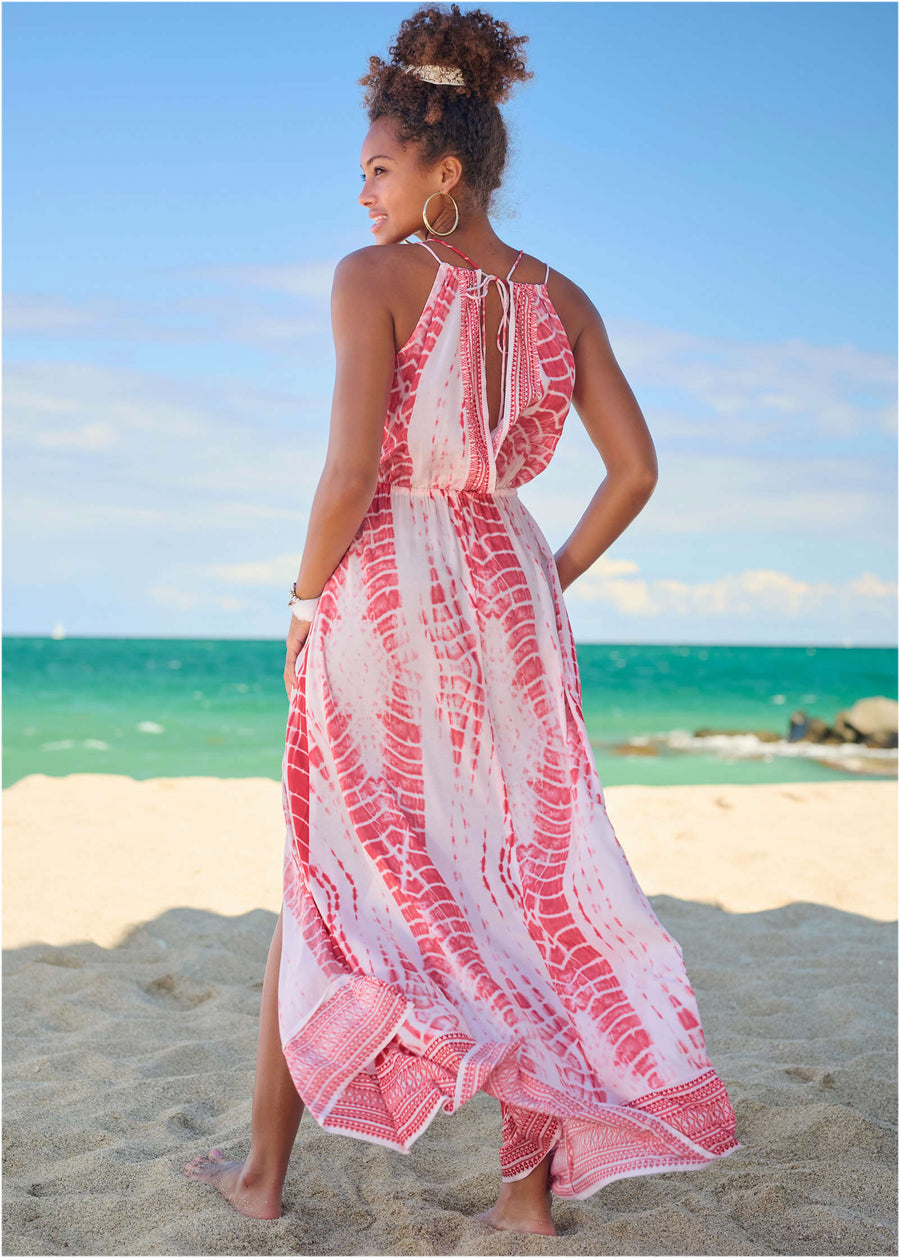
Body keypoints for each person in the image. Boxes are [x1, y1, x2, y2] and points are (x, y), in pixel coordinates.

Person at [184, 2, 742, 1235]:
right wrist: (549, 578)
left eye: (379, 170)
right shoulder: (564, 297)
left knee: (328, 877)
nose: (363, 195)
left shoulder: (371, 279)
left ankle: (263, 1179)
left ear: (444, 171)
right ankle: (522, 1201)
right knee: (526, 886)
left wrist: (303, 599)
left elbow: (350, 473)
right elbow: (637, 472)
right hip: (509, 591)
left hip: (387, 588)